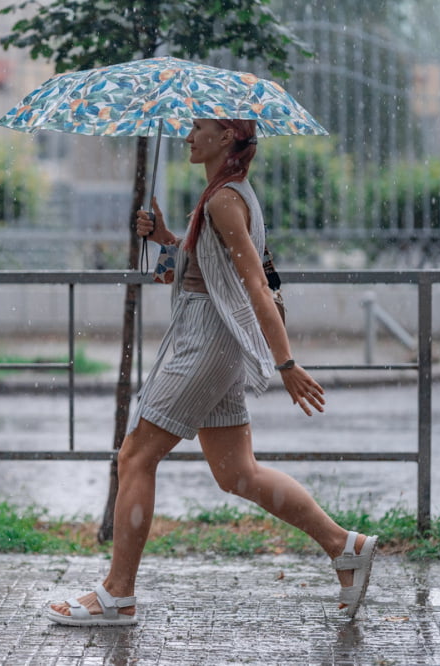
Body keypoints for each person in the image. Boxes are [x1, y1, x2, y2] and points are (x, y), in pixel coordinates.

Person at [46, 118, 377, 626]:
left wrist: (285, 363)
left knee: (135, 456)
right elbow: (204, 271)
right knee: (237, 473)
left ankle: (117, 594)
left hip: (206, 343)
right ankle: (343, 545)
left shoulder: (224, 201)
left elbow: (254, 287)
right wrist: (164, 238)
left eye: (198, 127)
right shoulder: (225, 194)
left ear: (226, 138)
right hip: (218, 341)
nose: (187, 136)